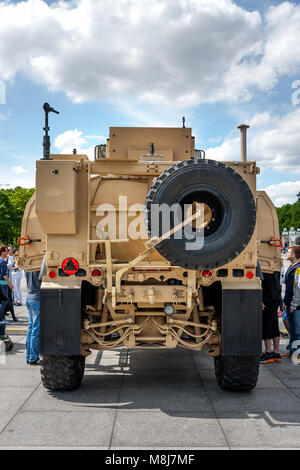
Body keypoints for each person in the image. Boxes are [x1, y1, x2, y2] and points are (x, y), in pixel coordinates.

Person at [260, 270, 282, 364]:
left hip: (269, 301)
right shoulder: (276, 269)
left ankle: (268, 352)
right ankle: (276, 352)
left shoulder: (268, 270)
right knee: (274, 325)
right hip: (276, 299)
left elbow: (269, 288)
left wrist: (264, 301)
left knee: (267, 325)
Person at [283, 245, 300, 359]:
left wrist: (293, 304)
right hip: (290, 303)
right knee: (292, 329)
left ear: (294, 255)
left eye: (288, 252)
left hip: (297, 305)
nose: (286, 254)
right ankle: (292, 350)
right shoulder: (291, 267)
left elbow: (298, 289)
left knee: (297, 330)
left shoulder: (298, 268)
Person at [25, 270, 41, 365]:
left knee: (31, 328)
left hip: (29, 297)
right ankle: (34, 357)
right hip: (37, 297)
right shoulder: (39, 266)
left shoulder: (28, 266)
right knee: (36, 329)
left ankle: (28, 356)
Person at [0, 246, 14, 349]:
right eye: (6, 251)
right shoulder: (2, 261)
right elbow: (4, 275)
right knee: (4, 302)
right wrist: (10, 284)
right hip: (3, 283)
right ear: (3, 252)